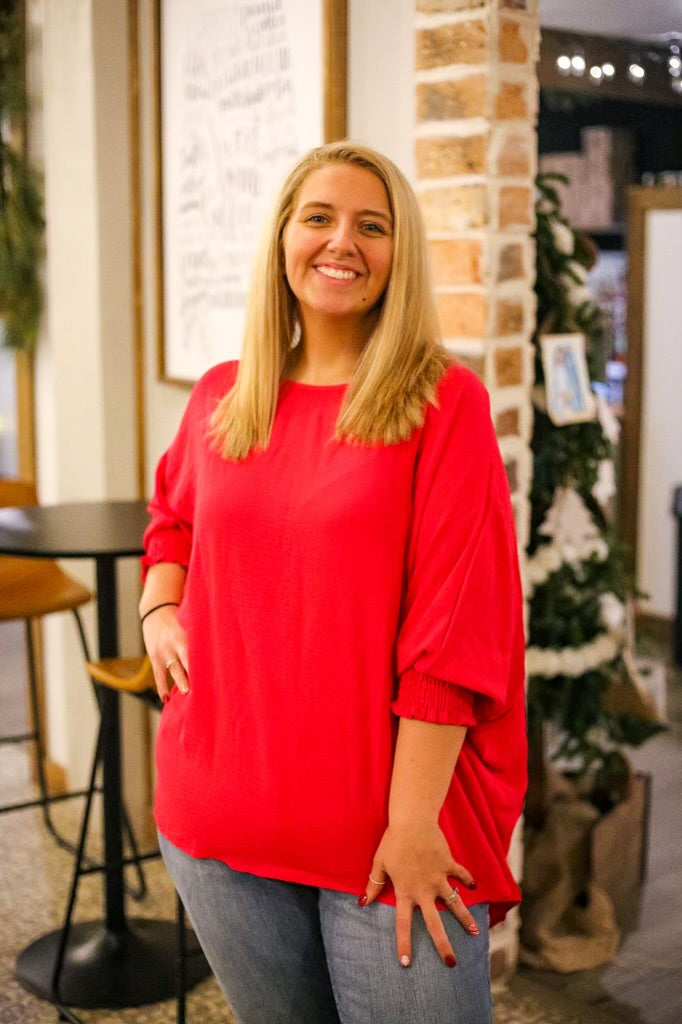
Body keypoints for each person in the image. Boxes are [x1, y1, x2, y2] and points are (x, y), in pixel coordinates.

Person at [140, 141, 527, 1024]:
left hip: (393, 839)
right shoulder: (222, 397)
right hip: (216, 818)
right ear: (283, 238)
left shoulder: (442, 403)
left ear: (399, 255)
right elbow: (174, 519)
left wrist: (415, 824)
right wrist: (161, 604)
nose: (340, 241)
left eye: (372, 225)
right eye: (318, 216)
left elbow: (455, 633)